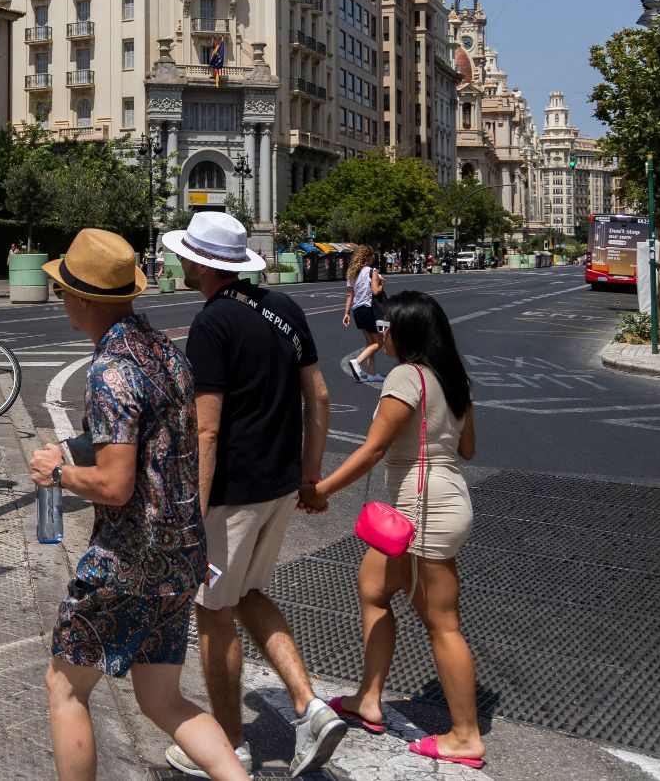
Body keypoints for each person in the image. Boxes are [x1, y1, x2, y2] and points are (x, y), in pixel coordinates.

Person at [27, 228, 247, 781]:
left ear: (82, 299)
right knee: (162, 701)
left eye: (62, 293)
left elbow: (116, 484)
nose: (61, 302)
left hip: (130, 560)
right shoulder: (162, 352)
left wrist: (59, 471)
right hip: (181, 555)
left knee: (65, 687)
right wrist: (83, 450)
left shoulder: (110, 370)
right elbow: (160, 440)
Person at [160, 212, 346, 778]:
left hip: (232, 496)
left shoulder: (211, 325)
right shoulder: (283, 309)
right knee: (248, 593)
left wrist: (193, 510)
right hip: (279, 486)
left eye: (185, 255)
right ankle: (310, 707)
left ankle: (231, 747)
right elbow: (319, 396)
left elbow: (207, 429)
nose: (180, 262)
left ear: (201, 263)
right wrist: (309, 473)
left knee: (212, 611)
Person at [301, 291, 484, 769]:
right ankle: (368, 697)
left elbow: (373, 449)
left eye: (387, 326)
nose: (381, 333)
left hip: (423, 508)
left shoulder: (406, 376)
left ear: (405, 332)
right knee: (373, 588)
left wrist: (321, 489)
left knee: (442, 623)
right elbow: (466, 449)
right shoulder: (454, 379)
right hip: (442, 498)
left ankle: (465, 736)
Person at [341, 245, 387, 383]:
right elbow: (375, 291)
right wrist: (381, 284)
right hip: (368, 309)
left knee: (369, 343)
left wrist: (346, 313)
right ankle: (357, 362)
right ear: (367, 257)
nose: (373, 258)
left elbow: (350, 295)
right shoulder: (372, 271)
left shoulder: (352, 273)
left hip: (357, 310)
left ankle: (372, 373)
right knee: (379, 342)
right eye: (372, 256)